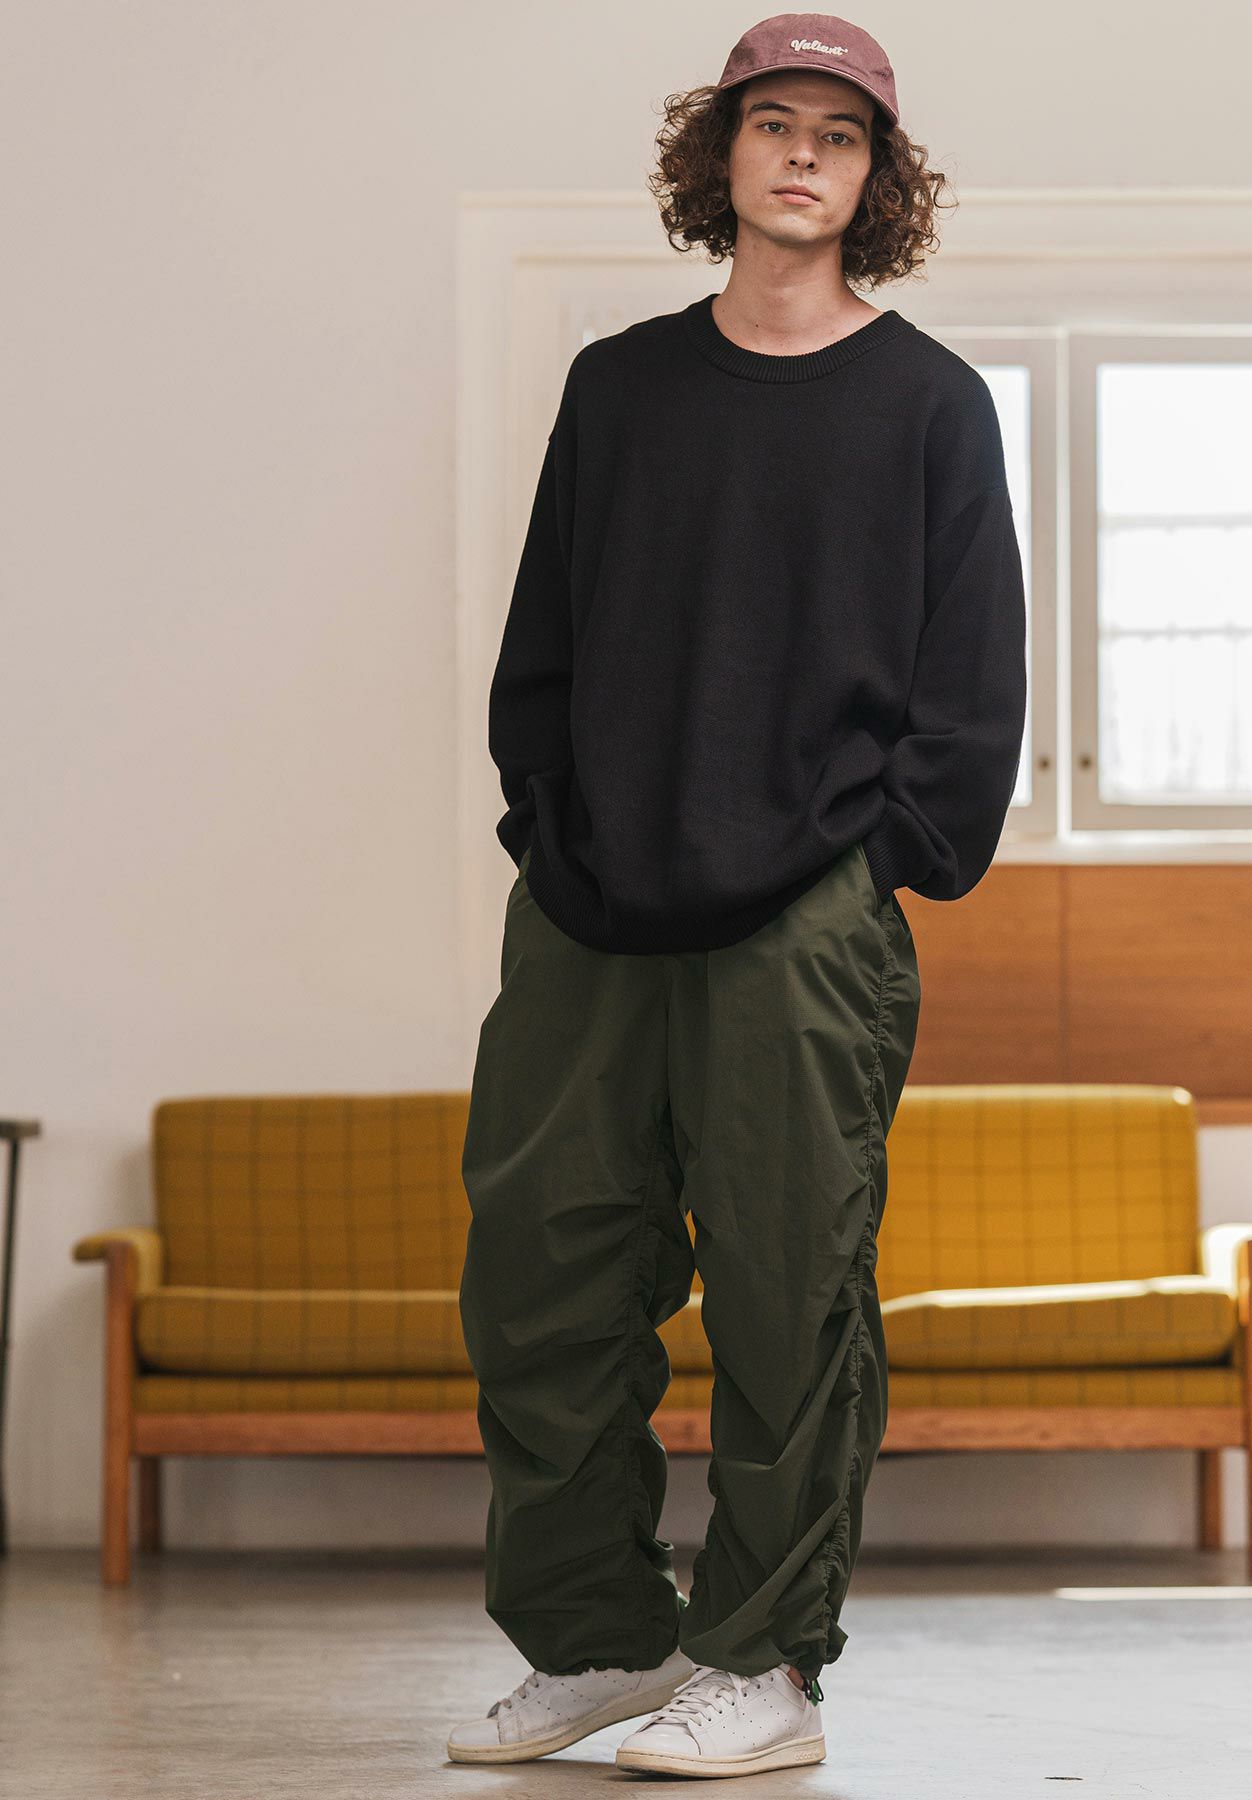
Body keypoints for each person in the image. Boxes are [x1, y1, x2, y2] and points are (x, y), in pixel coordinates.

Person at [447, 10, 1027, 1780]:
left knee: (790, 1293)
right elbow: (544, 639)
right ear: (722, 156)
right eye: (773, 124)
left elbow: (971, 686)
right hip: (589, 907)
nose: (802, 156)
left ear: (877, 179)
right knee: (542, 1280)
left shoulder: (929, 404)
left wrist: (874, 862)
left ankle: (763, 1665)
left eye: (838, 136)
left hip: (802, 919)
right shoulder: (620, 387)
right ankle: (599, 1639)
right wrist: (549, 829)